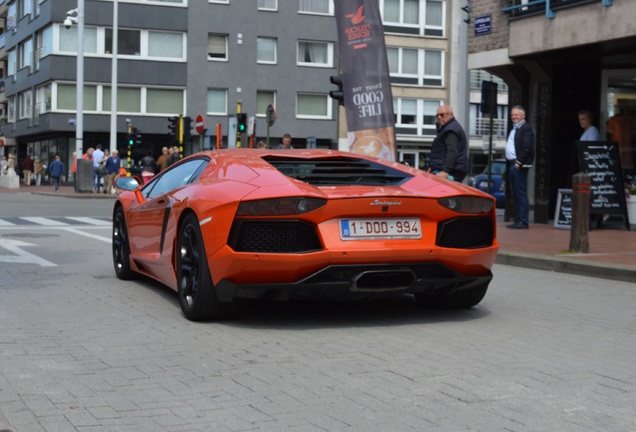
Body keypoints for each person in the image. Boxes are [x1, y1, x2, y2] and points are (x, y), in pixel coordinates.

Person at [505, 105, 535, 230]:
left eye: (516, 115)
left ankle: (523, 221)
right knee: (516, 192)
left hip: (518, 165)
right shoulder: (515, 128)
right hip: (512, 163)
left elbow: (526, 147)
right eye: (512, 115)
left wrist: (519, 162)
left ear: (523, 116)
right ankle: (519, 219)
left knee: (521, 193)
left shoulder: (525, 128)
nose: (514, 117)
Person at [428, 105, 468, 182]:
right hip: (446, 170)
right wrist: (431, 167)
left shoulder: (450, 130)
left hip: (448, 172)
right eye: (437, 115)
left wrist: (445, 171)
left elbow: (452, 151)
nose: (439, 117)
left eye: (442, 115)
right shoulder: (447, 129)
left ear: (451, 115)